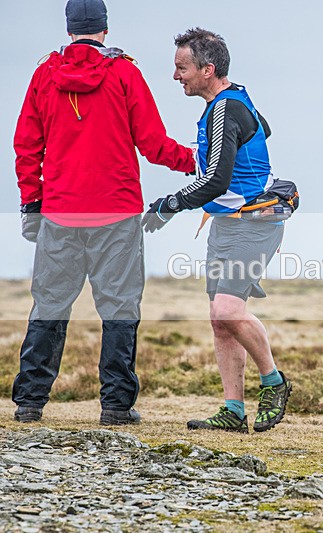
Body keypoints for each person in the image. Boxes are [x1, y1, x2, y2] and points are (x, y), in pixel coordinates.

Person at [11, 0, 195, 425]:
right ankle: (115, 406)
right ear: (105, 30)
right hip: (117, 213)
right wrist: (200, 161)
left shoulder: (44, 75)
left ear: (70, 28)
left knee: (50, 306)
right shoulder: (125, 73)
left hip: (60, 212)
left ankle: (29, 402)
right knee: (120, 307)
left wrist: (31, 203)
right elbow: (152, 143)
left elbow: (26, 146)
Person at [142, 28, 291, 434]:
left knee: (228, 310)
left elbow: (216, 181)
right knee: (219, 319)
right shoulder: (227, 102)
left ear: (208, 70)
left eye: (182, 68)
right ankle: (232, 410)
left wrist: (169, 205)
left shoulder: (225, 109)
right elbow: (262, 130)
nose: (176, 76)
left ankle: (274, 383)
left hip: (254, 224)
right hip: (226, 224)